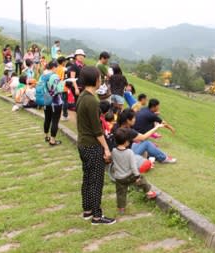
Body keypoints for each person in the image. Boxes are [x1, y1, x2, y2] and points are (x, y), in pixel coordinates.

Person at [76, 66, 115, 225]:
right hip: (92, 145)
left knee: (87, 178)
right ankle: (97, 216)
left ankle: (87, 210)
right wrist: (106, 148)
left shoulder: (82, 96)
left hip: (83, 144)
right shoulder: (92, 101)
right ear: (95, 80)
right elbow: (97, 130)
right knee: (96, 180)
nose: (101, 80)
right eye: (99, 78)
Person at [111, 127, 158, 214]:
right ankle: (149, 192)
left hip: (118, 178)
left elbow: (113, 162)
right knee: (142, 179)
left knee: (121, 193)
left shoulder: (113, 151)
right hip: (129, 176)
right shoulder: (129, 152)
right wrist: (137, 176)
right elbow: (133, 167)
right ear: (126, 142)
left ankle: (121, 208)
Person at [42, 60, 64, 146]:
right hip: (55, 102)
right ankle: (52, 140)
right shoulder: (55, 76)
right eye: (57, 67)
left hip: (46, 100)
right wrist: (62, 83)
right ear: (54, 67)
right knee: (55, 121)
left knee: (47, 119)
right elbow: (59, 89)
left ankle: (46, 136)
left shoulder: (43, 75)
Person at [55, 56, 69, 121]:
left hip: (57, 86)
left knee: (59, 101)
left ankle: (57, 114)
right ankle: (65, 115)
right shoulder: (65, 69)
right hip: (63, 86)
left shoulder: (56, 69)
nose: (66, 62)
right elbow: (66, 78)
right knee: (65, 101)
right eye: (65, 61)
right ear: (63, 62)